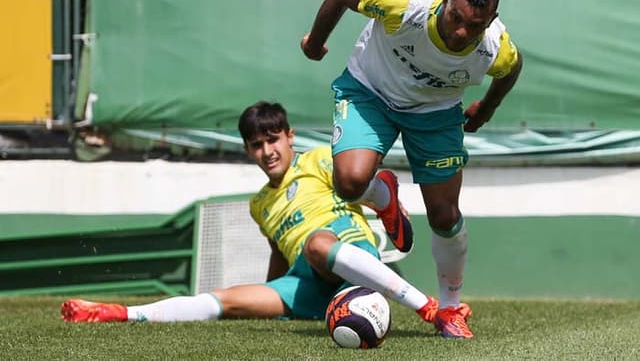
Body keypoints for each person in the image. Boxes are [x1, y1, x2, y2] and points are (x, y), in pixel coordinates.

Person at [61, 101, 444, 328]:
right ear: (247, 150)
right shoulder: (259, 203)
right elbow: (279, 252)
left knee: (316, 243)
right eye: (257, 145)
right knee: (227, 300)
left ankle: (429, 307)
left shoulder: (317, 160)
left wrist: (379, 199)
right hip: (305, 281)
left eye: (273, 139)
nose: (267, 152)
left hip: (349, 257)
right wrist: (272, 296)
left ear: (289, 136)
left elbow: (351, 182)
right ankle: (121, 313)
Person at [300, 0, 524, 339]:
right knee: (350, 183)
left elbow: (512, 69)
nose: (461, 33)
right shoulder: (405, 1)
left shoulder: (494, 47)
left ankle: (451, 308)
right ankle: (383, 196)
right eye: (456, 18)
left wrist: (486, 109)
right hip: (369, 92)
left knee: (444, 214)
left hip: (435, 115)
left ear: (489, 22)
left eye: (475, 26)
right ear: (446, 0)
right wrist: (315, 43)